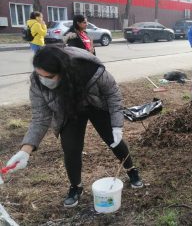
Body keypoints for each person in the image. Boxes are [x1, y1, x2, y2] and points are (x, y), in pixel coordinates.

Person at [4, 45, 143, 208]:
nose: (43, 80)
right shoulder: (38, 83)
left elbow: (113, 94)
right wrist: (25, 150)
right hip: (69, 109)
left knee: (114, 139)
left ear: (63, 72)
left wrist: (117, 125)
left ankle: (131, 170)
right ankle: (76, 187)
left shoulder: (90, 70)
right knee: (70, 148)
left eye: (48, 76)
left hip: (95, 104)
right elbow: (40, 117)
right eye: (38, 74)